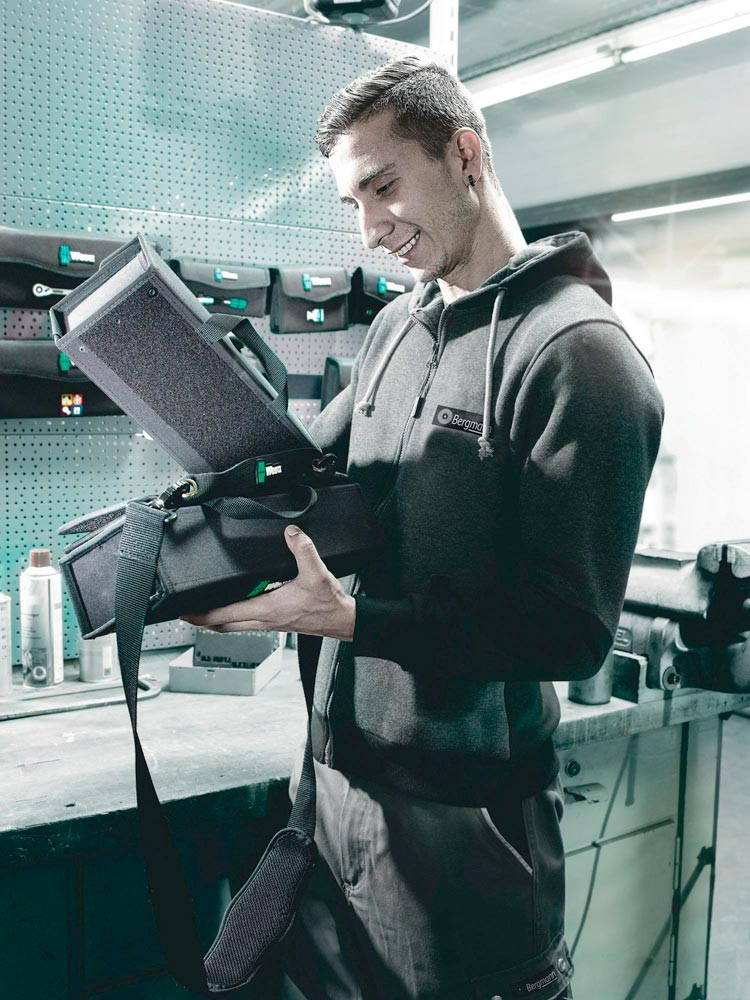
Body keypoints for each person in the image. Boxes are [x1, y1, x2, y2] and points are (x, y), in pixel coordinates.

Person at [182, 56, 664, 999]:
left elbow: (568, 630)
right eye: (353, 202)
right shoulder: (400, 327)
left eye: (384, 186)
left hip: (466, 823)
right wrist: (198, 501)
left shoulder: (579, 357)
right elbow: (307, 471)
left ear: (465, 156)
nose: (369, 229)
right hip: (332, 791)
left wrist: (353, 621)